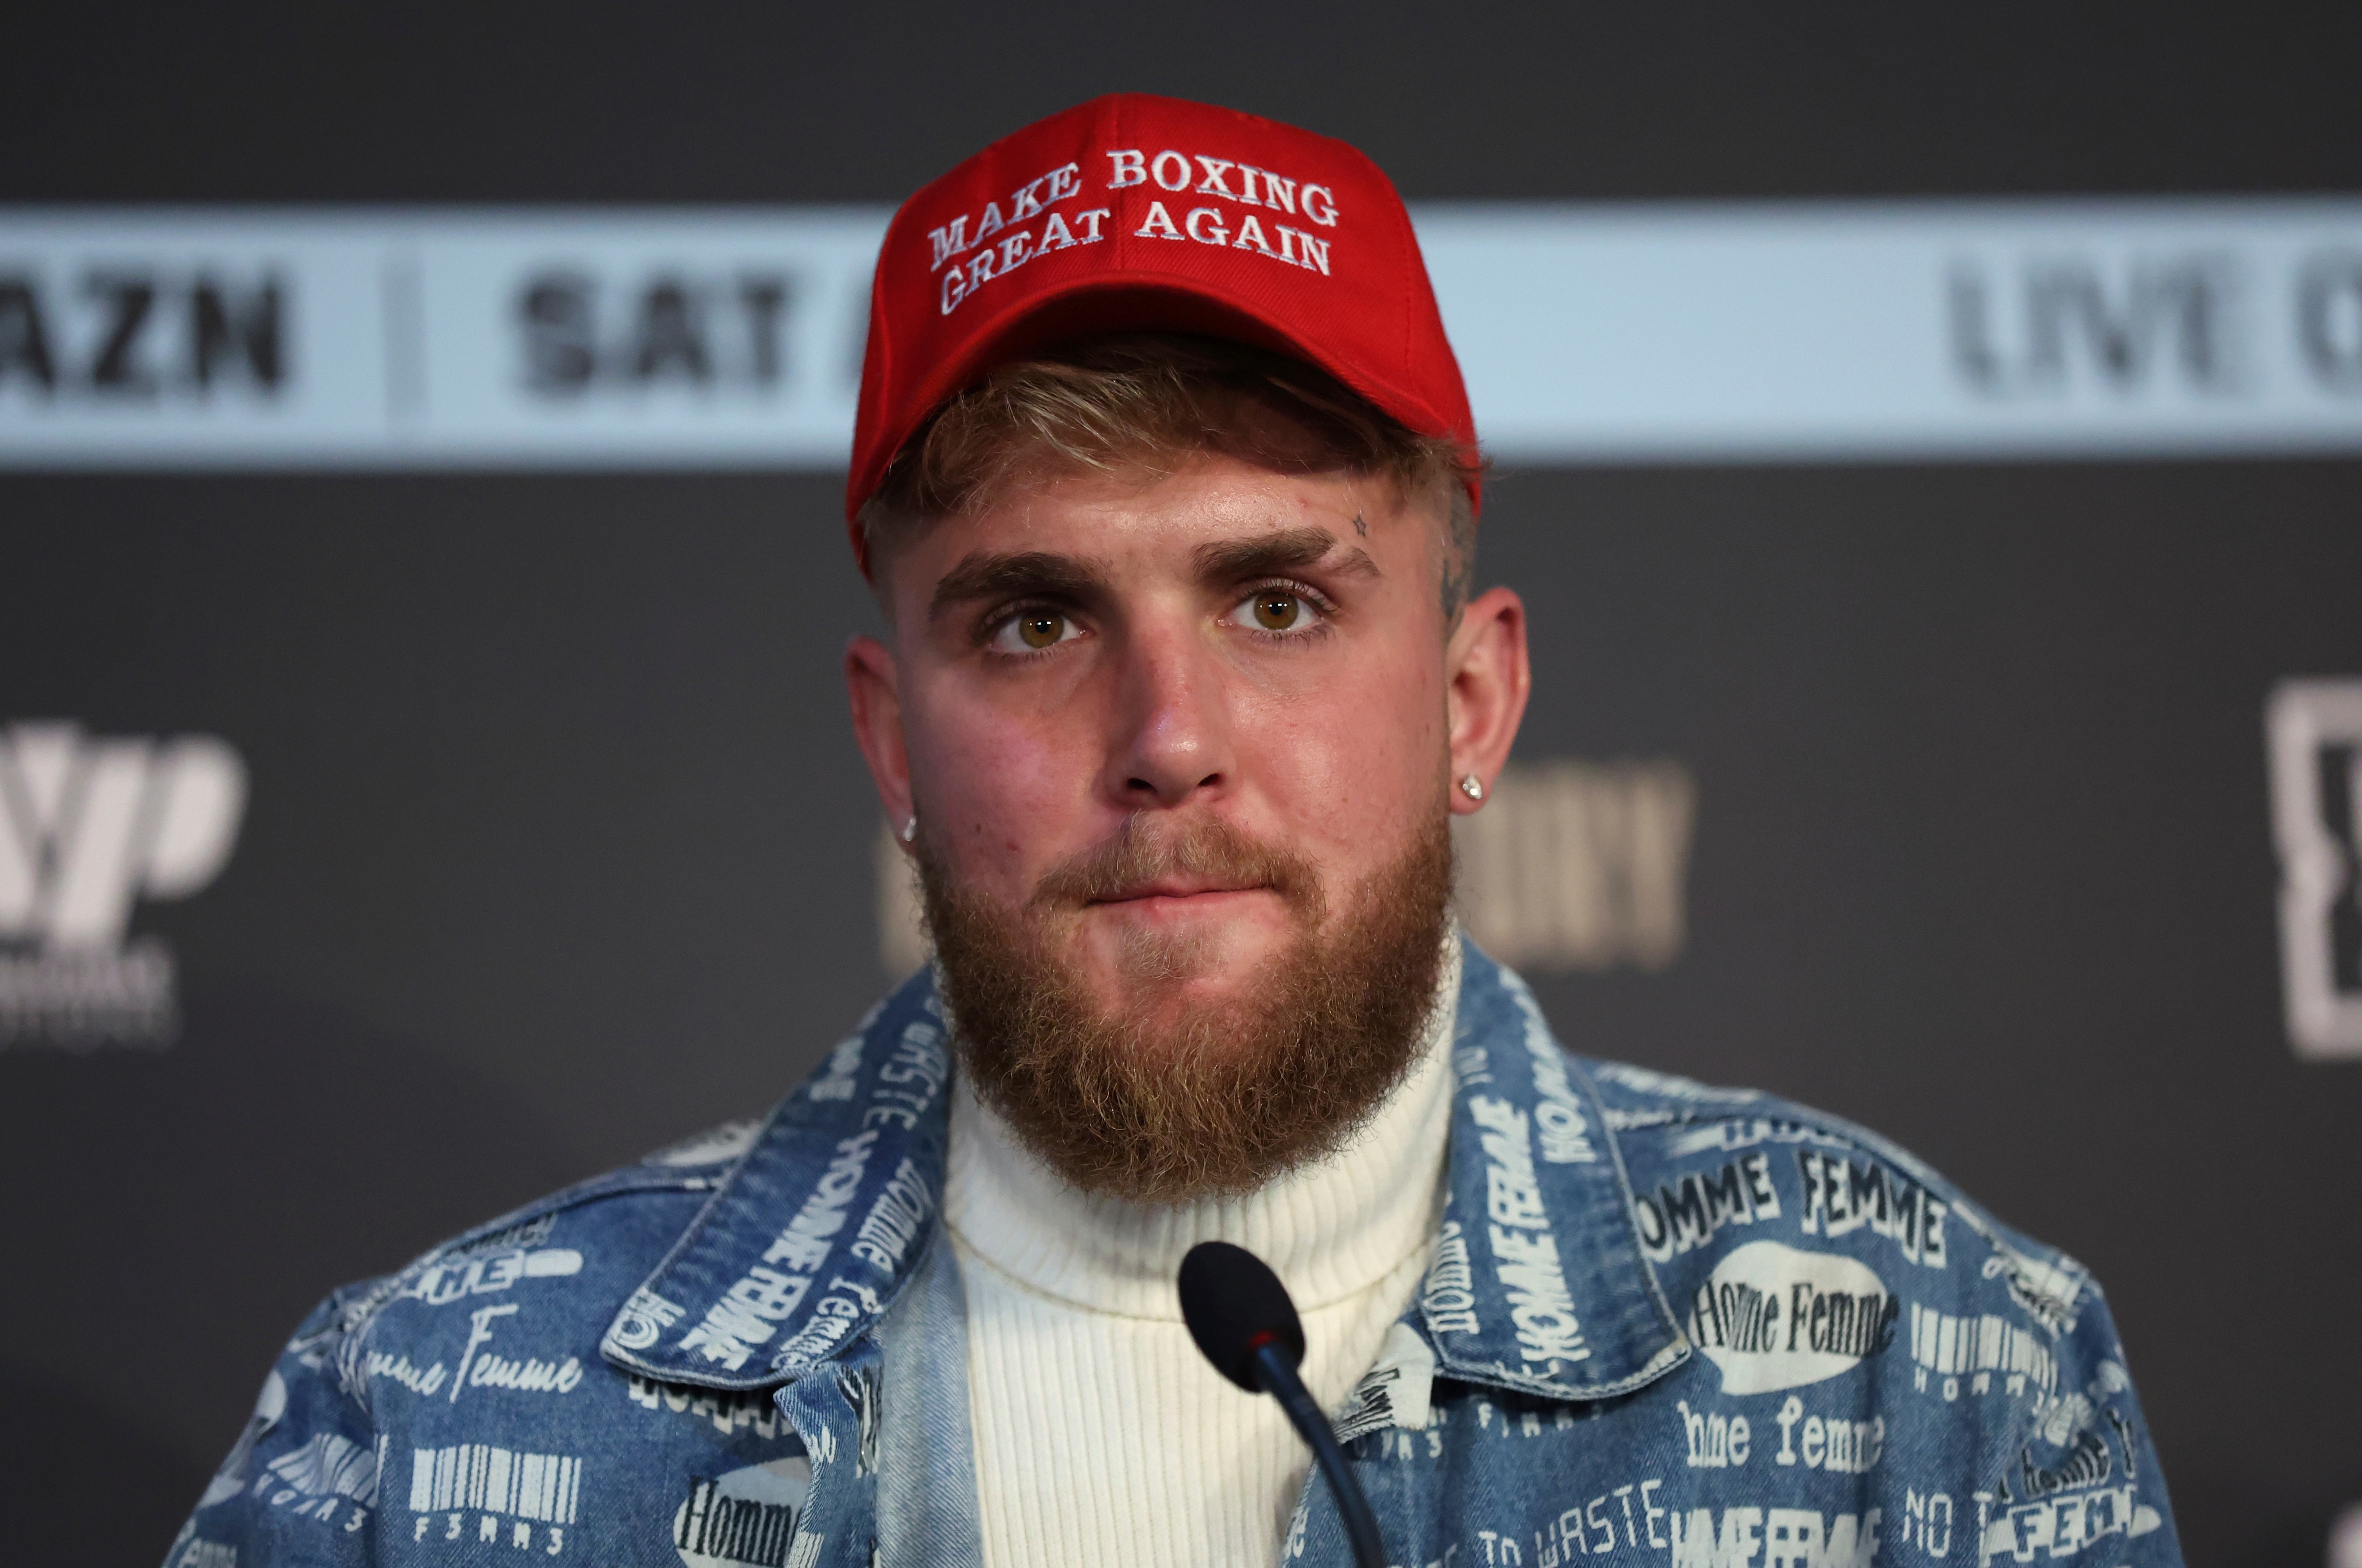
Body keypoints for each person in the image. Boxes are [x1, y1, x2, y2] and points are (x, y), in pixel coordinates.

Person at [170, 94, 2182, 1568]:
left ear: (1471, 697)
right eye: (1035, 619)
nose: (1166, 738)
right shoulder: (423, 1426)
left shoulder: (1923, 1380)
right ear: (889, 738)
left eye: (1277, 602)